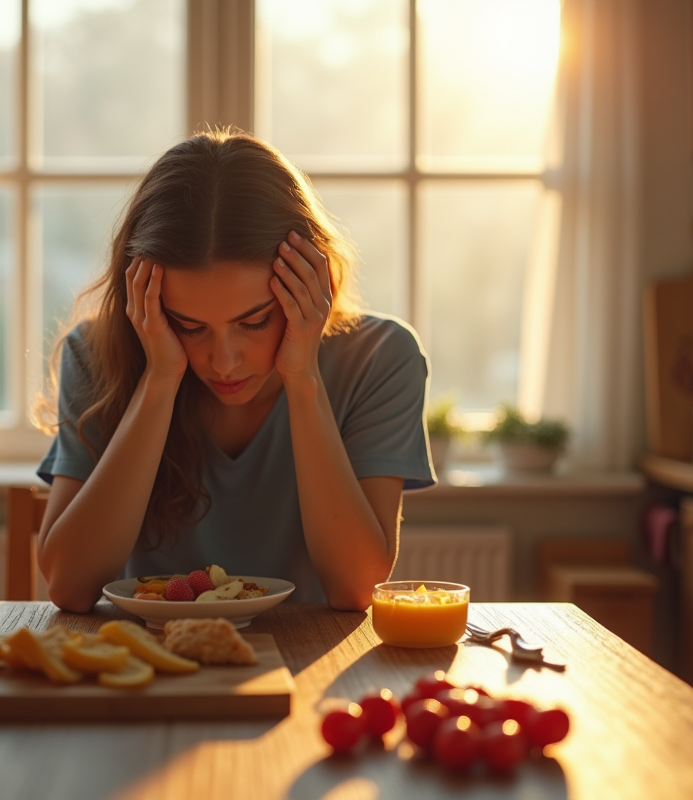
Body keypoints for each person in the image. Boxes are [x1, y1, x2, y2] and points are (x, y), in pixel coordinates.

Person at [35, 129, 435, 614]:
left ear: (311, 282)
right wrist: (160, 379)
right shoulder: (95, 355)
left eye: (254, 322)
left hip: (305, 669)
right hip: (147, 667)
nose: (223, 361)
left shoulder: (381, 358)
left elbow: (354, 588)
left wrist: (303, 379)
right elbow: (69, 586)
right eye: (189, 326)